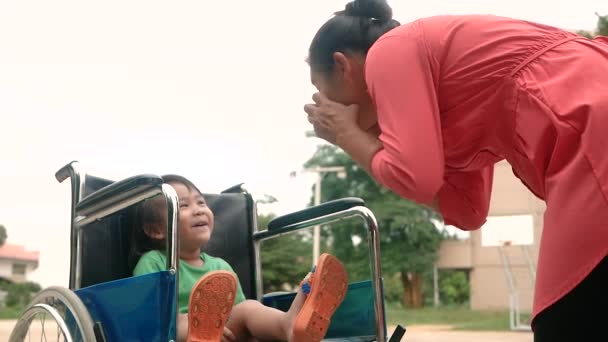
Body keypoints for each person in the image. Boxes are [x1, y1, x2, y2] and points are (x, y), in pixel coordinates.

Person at [303, 1, 608, 341]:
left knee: (566, 323)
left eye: (320, 87)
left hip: (590, 126)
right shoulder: (436, 93)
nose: (321, 102)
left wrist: (349, 136)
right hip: (589, 123)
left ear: (341, 65)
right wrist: (368, 140)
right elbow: (467, 208)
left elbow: (414, 178)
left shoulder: (389, 51)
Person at [132, 174, 348, 342]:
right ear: (155, 229)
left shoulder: (220, 266)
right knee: (177, 320)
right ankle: (201, 331)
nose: (198, 210)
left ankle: (291, 325)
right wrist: (192, 324)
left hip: (227, 334)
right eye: (184, 205)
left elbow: (241, 318)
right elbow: (149, 317)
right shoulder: (153, 262)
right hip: (175, 335)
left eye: (201, 202)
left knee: (248, 308)